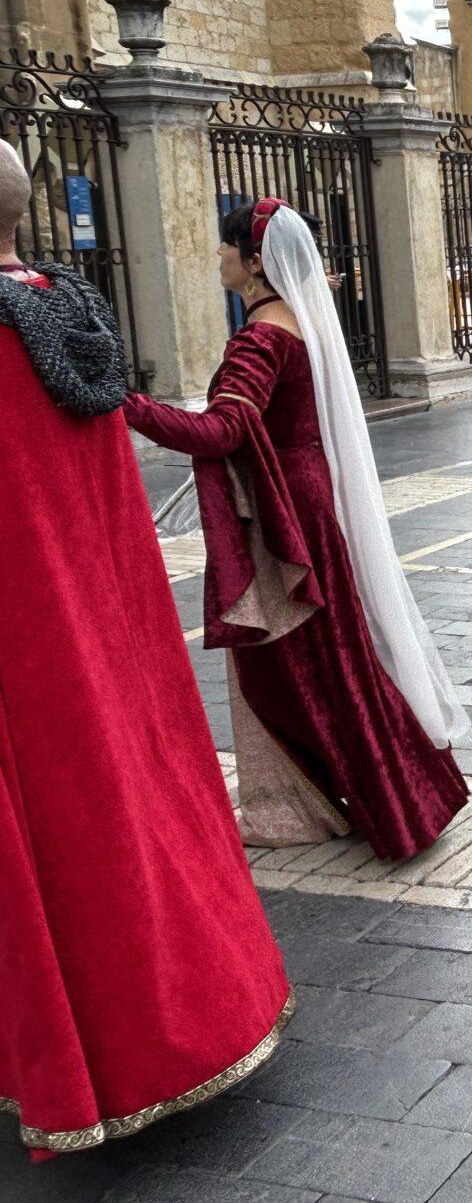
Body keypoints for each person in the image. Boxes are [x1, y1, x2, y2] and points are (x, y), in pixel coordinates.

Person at [0, 145, 292, 1160]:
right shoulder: (70, 315)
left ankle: (96, 1064)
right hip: (109, 626)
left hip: (27, 642)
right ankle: (212, 1005)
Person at [125, 201, 470, 859]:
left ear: (256, 261)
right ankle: (378, 793)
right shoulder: (298, 322)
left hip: (284, 510)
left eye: (226, 246)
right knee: (330, 659)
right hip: (304, 497)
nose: (218, 255)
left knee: (299, 666)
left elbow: (224, 430)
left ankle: (368, 800)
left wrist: (127, 405)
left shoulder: (262, 337)